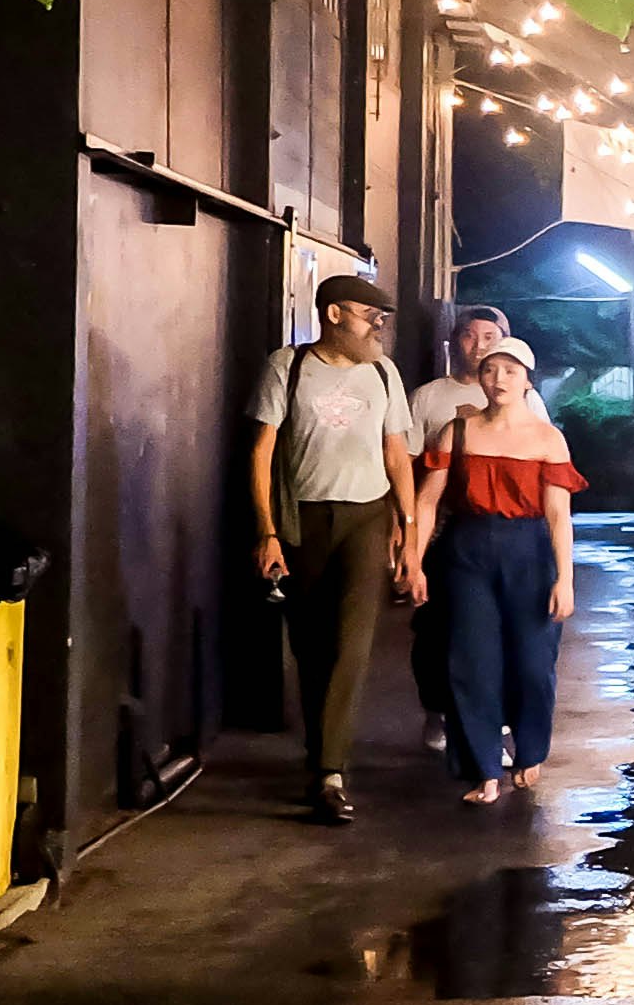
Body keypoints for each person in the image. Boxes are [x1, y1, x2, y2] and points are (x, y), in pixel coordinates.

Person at [250, 273, 420, 825]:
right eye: (369, 316)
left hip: (366, 518)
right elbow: (260, 451)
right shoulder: (288, 366)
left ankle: (330, 771)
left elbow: (397, 455)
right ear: (333, 314)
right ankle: (321, 756)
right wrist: (267, 531)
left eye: (382, 319)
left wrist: (408, 529)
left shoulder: (383, 373)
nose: (378, 327)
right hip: (303, 519)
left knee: (351, 642)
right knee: (311, 645)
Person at [402, 342, 584, 805]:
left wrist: (565, 578)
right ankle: (483, 767)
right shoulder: (456, 431)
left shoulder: (547, 439)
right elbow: (427, 501)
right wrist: (414, 560)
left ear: (528, 379)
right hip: (466, 550)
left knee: (532, 662)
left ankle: (529, 753)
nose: (499, 379)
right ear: (479, 377)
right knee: (471, 660)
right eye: (489, 370)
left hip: (529, 550)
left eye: (509, 370)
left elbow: (559, 516)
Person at [408, 308, 524, 754]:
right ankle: (436, 708)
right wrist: (409, 537)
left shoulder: (523, 398)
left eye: (489, 337)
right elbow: (413, 471)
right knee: (436, 627)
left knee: (501, 630)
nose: (478, 346)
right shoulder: (428, 398)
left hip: (506, 528)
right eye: (469, 336)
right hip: (445, 527)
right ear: (454, 341)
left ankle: (494, 719)